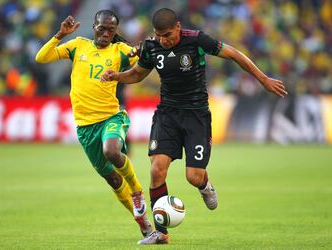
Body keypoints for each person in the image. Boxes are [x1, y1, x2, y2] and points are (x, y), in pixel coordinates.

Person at [101, 8, 288, 245]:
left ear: (177, 27)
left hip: (196, 115)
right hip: (167, 114)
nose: (163, 40)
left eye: (167, 34)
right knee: (157, 169)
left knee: (193, 176)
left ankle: (205, 185)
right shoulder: (152, 47)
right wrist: (117, 76)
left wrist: (263, 79)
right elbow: (138, 74)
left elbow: (234, 54)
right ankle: (160, 233)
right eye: (159, 35)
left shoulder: (197, 40)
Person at [35, 10, 153, 238]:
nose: (106, 33)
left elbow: (143, 57)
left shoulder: (120, 51)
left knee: (111, 151)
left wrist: (144, 49)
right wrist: (59, 35)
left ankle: (137, 191)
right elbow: (41, 57)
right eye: (103, 28)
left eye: (111, 30)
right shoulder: (78, 45)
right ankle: (143, 222)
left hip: (111, 117)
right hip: (85, 127)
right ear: (95, 26)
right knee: (112, 178)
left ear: (115, 31)